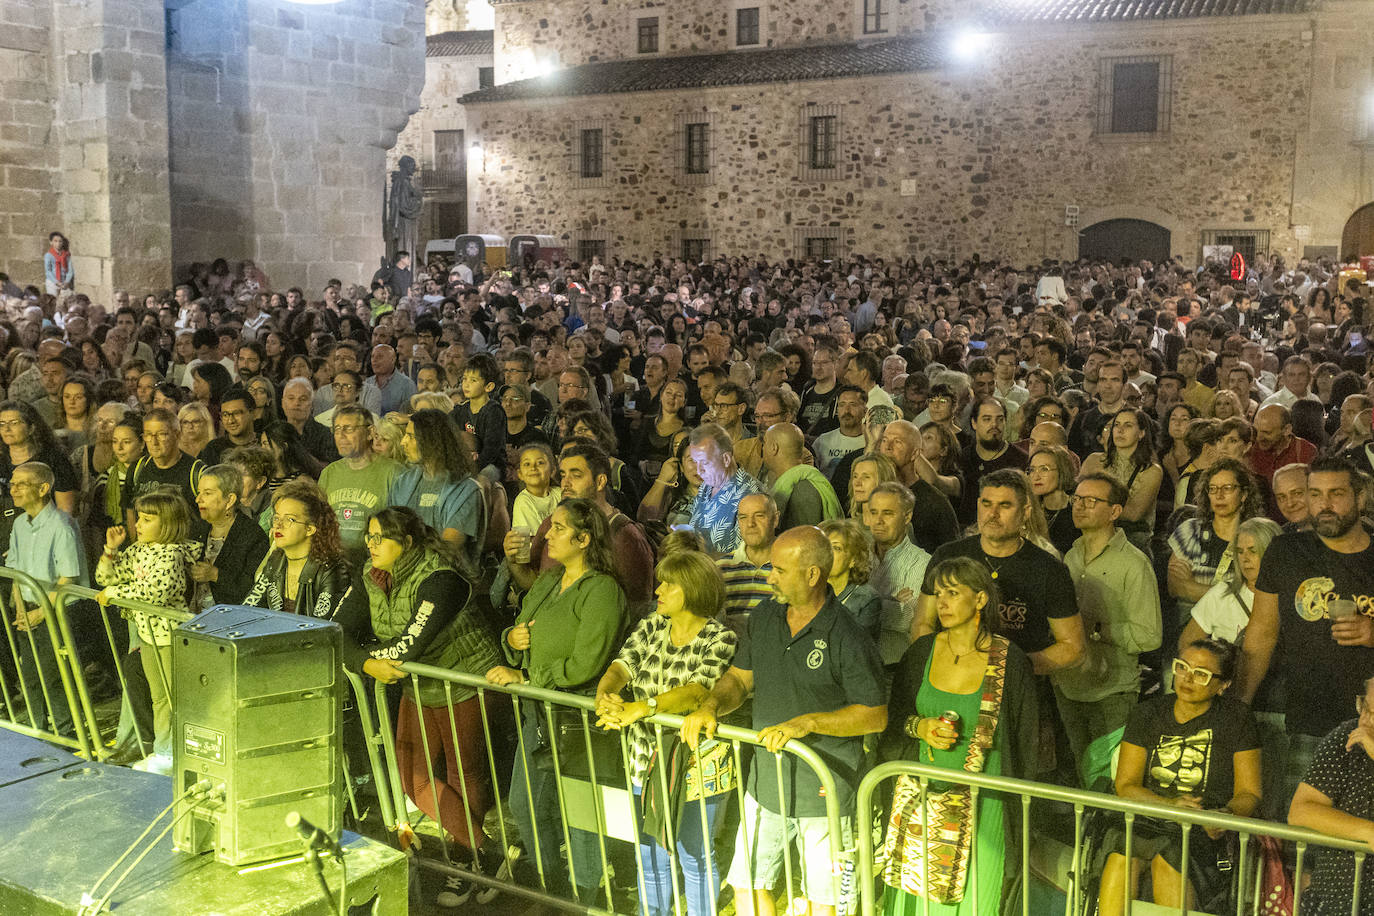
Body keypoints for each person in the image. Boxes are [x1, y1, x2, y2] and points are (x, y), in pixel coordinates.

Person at [679, 526, 886, 916]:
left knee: (824, 900)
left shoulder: (847, 635)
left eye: (779, 570)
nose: (769, 577)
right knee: (747, 882)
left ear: (812, 575)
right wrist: (710, 706)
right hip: (765, 784)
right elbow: (739, 679)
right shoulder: (765, 616)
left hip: (825, 790)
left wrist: (806, 723)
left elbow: (874, 716)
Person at [359, 507, 506, 908]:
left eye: (380, 538)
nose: (370, 545)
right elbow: (342, 629)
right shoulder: (372, 576)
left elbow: (410, 644)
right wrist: (363, 658)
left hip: (464, 680)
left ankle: (465, 863)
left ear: (406, 544)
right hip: (422, 685)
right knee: (413, 779)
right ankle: (486, 855)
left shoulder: (440, 578)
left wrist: (366, 658)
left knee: (464, 776)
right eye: (368, 536)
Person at [878, 557, 1039, 916]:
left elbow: (1026, 742)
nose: (943, 603)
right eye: (938, 594)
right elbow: (895, 718)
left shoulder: (1010, 662)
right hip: (920, 799)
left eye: (953, 592)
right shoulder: (922, 651)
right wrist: (919, 728)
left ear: (981, 600)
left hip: (988, 806)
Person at [486, 499, 628, 903]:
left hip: (580, 720)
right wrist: (511, 643)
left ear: (584, 539)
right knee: (525, 805)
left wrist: (529, 676)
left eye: (559, 528)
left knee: (583, 816)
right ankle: (553, 888)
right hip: (539, 714)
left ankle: (586, 897)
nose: (547, 534)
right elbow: (519, 627)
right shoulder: (548, 582)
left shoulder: (602, 590)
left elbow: (588, 662)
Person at [593, 551, 738, 916]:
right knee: (650, 855)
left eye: (669, 583)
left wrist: (643, 707)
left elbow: (697, 691)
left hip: (696, 765)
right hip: (645, 759)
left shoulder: (720, 637)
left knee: (694, 855)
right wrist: (605, 693)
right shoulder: (652, 625)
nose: (659, 589)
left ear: (691, 589)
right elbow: (622, 666)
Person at [1242, 455, 1374, 809]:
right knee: (1302, 841)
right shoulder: (1286, 551)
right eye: (1314, 495)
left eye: (1336, 494)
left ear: (1361, 498)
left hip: (1373, 722)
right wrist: (1239, 704)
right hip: (1310, 716)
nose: (1324, 505)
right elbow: (1261, 634)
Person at [1098, 639, 1261, 916]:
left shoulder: (1237, 719)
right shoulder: (1147, 713)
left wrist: (1225, 814)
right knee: (1121, 854)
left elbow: (1250, 793)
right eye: (1182, 667)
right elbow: (1126, 785)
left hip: (1201, 823)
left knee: (1170, 857)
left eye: (1201, 674)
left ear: (1223, 684)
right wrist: (1170, 806)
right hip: (1149, 814)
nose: (1187, 678)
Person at [916, 470, 1085, 676]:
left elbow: (1073, 648)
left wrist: (1005, 669)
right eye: (986, 504)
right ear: (978, 505)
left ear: (1026, 511)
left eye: (1005, 505)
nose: (993, 514)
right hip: (951, 678)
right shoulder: (948, 555)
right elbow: (922, 623)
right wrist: (943, 661)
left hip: (1017, 687)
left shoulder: (1049, 569)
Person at [1054, 473, 1162, 774]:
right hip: (1069, 685)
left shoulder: (1134, 563)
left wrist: (1098, 630)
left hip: (1112, 691)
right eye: (1077, 499)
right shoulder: (1071, 556)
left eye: (1092, 501)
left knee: (1108, 779)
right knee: (1079, 771)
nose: (1081, 506)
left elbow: (1150, 636)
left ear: (1115, 512)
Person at [95, 487, 201, 771]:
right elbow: (105, 577)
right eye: (138, 518)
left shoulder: (172, 555)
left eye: (146, 519)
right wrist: (110, 551)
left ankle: (172, 753)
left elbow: (155, 593)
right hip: (149, 635)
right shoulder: (139, 550)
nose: (137, 525)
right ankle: (164, 750)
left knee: (171, 696)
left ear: (166, 523)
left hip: (171, 637)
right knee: (158, 698)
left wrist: (115, 592)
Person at [505, 441, 656, 617]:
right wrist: (514, 562)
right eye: (563, 475)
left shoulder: (624, 536)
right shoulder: (551, 524)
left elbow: (637, 609)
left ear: (600, 482)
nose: (565, 483)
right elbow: (536, 583)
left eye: (576, 476)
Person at [6, 461, 88, 739]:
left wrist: (40, 613)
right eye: (12, 483)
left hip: (56, 611)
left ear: (43, 489)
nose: (13, 490)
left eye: (21, 484)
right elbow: (16, 572)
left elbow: (68, 578)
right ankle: (36, 731)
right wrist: (20, 609)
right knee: (29, 676)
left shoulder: (61, 525)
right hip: (28, 610)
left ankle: (66, 734)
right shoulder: (19, 524)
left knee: (55, 677)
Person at [242, 479, 370, 654]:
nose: (278, 525)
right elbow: (250, 608)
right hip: (284, 653)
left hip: (318, 659)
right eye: (277, 517)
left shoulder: (333, 567)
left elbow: (319, 631)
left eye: (290, 520)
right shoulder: (276, 560)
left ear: (311, 529)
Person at [1288, 673, 1374, 915]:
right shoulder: (1346, 737)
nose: (1365, 721)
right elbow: (1301, 811)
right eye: (1364, 707)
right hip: (1336, 898)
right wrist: (1368, 832)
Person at [390, 408, 483, 576]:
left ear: (432, 440)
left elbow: (449, 546)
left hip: (444, 578)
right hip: (403, 575)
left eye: (411, 436)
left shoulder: (465, 489)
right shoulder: (403, 482)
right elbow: (389, 531)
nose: (403, 442)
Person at [1167, 458, 1265, 617]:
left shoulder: (1257, 537)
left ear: (1244, 494)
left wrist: (1191, 585)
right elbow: (1175, 587)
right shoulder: (1190, 530)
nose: (1219, 495)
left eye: (1227, 488)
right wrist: (1229, 593)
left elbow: (1250, 598)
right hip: (1187, 625)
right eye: (1213, 489)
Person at [318, 405, 401, 565]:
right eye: (336, 429)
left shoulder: (394, 472)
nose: (341, 436)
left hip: (375, 565)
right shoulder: (329, 473)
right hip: (334, 564)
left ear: (370, 433)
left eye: (348, 429)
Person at [865, 482, 933, 667]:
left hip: (894, 668)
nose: (878, 520)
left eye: (887, 513)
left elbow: (909, 618)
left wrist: (860, 602)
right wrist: (892, 601)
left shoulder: (924, 563)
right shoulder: (856, 555)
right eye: (873, 512)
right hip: (855, 667)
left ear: (907, 516)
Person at [1081, 408, 1163, 554]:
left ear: (1141, 433)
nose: (1120, 430)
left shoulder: (1151, 471)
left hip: (1132, 542)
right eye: (1117, 425)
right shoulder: (1093, 460)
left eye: (1128, 425)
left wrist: (1093, 502)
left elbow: (1133, 514)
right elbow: (1077, 500)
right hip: (1092, 532)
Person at [191, 464, 270, 608]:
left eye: (207, 493)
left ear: (230, 500)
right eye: (199, 492)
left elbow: (255, 590)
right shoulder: (197, 529)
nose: (198, 499)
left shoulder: (253, 536)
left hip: (232, 621)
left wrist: (216, 575)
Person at [121, 408, 205, 532]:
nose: (154, 442)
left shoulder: (196, 472)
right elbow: (131, 512)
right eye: (148, 435)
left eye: (161, 434)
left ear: (177, 434)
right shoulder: (137, 469)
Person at [686, 423, 762, 556]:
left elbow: (748, 556)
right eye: (695, 462)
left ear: (726, 459)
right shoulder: (707, 485)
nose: (699, 471)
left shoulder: (752, 495)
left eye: (704, 462)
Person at [764, 423, 840, 529]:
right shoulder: (793, 484)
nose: (762, 448)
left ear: (774, 448)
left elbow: (806, 540)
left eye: (764, 443)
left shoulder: (802, 490)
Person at [715, 492, 777, 625]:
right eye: (743, 517)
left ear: (775, 519)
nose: (750, 524)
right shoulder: (720, 569)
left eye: (759, 516)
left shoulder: (792, 565)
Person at [820, 517, 881, 642]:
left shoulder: (867, 600)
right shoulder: (808, 591)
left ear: (853, 559)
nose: (828, 553)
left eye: (836, 548)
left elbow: (856, 649)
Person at [451, 352, 506, 482]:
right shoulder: (460, 410)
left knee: (482, 479)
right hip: (466, 461)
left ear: (489, 386)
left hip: (492, 465)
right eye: (464, 379)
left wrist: (474, 465)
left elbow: (491, 450)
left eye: (473, 380)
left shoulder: (493, 411)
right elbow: (441, 422)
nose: (466, 384)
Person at [1028, 445, 1078, 555]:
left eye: (1044, 469)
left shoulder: (1077, 511)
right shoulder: (1029, 509)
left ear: (1062, 471)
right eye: (1032, 470)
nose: (1036, 476)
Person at [811, 385, 866, 477]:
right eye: (842, 405)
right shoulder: (822, 441)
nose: (847, 410)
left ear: (865, 411)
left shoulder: (872, 442)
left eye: (853, 404)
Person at [199, 386, 258, 467]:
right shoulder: (213, 449)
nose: (231, 421)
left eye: (236, 413)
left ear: (253, 413)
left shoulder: (265, 443)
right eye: (225, 415)